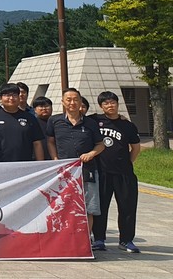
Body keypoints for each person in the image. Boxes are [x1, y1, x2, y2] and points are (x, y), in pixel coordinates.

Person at [47, 87, 105, 245]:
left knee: (88, 207)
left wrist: (91, 154)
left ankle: (84, 241)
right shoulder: (55, 121)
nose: (72, 102)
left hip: (87, 170)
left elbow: (100, 145)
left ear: (80, 102)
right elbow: (50, 142)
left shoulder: (91, 123)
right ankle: (63, 240)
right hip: (63, 171)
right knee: (63, 206)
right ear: (63, 102)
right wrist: (54, 158)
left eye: (75, 99)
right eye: (68, 99)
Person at [90, 91, 141, 253]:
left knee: (127, 207)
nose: (110, 105)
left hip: (124, 174)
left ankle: (126, 240)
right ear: (100, 106)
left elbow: (136, 148)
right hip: (102, 173)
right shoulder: (94, 121)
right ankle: (98, 239)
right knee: (100, 207)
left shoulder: (128, 125)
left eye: (113, 102)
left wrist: (127, 163)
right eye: (106, 103)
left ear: (118, 104)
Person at [0, 84, 45, 163]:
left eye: (15, 95)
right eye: (7, 95)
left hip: (25, 165)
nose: (11, 98)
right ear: (1, 98)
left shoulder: (30, 118)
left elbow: (37, 143)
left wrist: (40, 164)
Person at [32, 96, 54, 160]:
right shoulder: (32, 123)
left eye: (47, 106)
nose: (44, 108)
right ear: (35, 110)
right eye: (41, 106)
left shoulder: (56, 122)